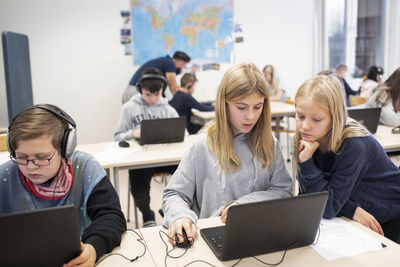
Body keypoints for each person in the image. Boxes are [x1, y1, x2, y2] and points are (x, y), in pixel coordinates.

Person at [162, 63, 293, 245]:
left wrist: (245, 205)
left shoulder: (269, 143)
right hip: (212, 237)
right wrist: (180, 216)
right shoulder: (201, 145)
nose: (251, 116)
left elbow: (283, 191)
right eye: (241, 107)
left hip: (260, 232)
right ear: (224, 104)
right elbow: (174, 194)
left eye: (258, 107)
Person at [1, 104, 126, 266]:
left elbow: (111, 216)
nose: (31, 166)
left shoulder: (85, 167)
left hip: (74, 259)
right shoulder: (4, 176)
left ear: (65, 149)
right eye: (22, 157)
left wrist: (94, 247)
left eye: (42, 157)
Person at [294, 74, 400, 243]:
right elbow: (308, 198)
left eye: (316, 119)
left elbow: (328, 207)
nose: (305, 126)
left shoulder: (355, 145)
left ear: (335, 117)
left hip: (388, 215)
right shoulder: (309, 139)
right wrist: (352, 209)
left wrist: (307, 163)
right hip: (357, 212)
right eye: (300, 116)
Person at [115, 67, 179, 227]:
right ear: (140, 90)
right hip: (141, 159)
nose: (152, 99)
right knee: (139, 188)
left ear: (162, 90)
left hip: (165, 157)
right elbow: (117, 136)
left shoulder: (168, 109)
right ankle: (146, 213)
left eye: (156, 94)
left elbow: (182, 133)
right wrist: (132, 133)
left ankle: (171, 207)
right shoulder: (129, 108)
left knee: (186, 174)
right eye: (147, 94)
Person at [122, 51, 191, 103]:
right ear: (180, 62)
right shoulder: (170, 64)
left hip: (130, 91)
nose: (183, 68)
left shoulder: (163, 61)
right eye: (183, 65)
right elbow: (174, 87)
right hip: (137, 93)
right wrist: (184, 101)